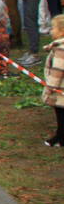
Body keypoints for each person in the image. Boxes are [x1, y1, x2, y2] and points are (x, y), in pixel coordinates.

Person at [41, 14, 64, 147]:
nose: (51, 31)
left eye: (53, 28)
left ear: (61, 31)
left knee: (61, 115)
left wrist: (50, 87)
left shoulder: (61, 50)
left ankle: (60, 138)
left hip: (60, 90)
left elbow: (57, 71)